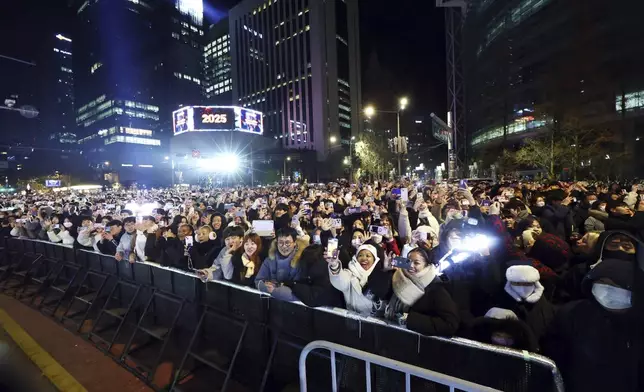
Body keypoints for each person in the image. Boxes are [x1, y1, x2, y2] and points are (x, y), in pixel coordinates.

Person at [544, 259, 641, 392]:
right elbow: (555, 359)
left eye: (617, 286)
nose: (607, 292)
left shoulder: (638, 324)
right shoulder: (573, 314)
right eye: (602, 283)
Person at [384, 247, 459, 336]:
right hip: (391, 335)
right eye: (408, 261)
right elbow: (381, 295)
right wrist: (385, 271)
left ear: (427, 265)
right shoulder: (398, 278)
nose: (411, 266)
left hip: (415, 343)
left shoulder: (436, 288)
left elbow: (450, 324)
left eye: (416, 263)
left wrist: (409, 319)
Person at [484, 264, 555, 348]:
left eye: (527, 284)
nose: (522, 288)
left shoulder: (548, 310)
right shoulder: (497, 303)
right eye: (517, 283)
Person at [326, 244, 393, 316]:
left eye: (368, 256)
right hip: (354, 322)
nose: (364, 258)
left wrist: (385, 271)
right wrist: (334, 265)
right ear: (356, 258)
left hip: (376, 323)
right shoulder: (350, 274)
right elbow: (340, 281)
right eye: (360, 255)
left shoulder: (381, 275)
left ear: (374, 260)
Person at [255, 227, 307, 300]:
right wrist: (265, 286)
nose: (284, 246)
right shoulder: (269, 259)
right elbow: (258, 281)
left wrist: (275, 290)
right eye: (281, 242)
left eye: (287, 243)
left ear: (295, 243)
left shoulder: (302, 262)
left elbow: (300, 292)